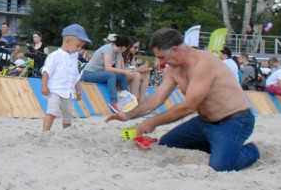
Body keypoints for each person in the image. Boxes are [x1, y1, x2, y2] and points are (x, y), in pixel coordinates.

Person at [106, 28, 260, 172]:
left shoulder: (203, 63)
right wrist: (128, 115)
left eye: (162, 57)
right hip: (205, 122)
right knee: (167, 144)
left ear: (175, 50)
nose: (161, 62)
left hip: (234, 121)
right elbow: (157, 98)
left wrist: (153, 122)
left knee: (221, 166)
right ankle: (218, 146)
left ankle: (252, 150)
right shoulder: (173, 68)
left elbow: (189, 107)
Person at [41, 24, 91, 132]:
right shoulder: (55, 56)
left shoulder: (74, 56)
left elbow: (75, 75)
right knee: (52, 111)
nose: (80, 49)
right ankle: (45, 133)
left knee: (68, 114)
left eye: (81, 46)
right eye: (78, 46)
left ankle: (66, 133)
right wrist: (44, 86)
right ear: (68, 41)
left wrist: (78, 89)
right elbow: (46, 71)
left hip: (68, 91)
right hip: (55, 89)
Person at [80, 34, 132, 112]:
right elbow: (108, 68)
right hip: (89, 74)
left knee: (121, 76)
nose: (126, 50)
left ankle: (126, 99)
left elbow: (118, 70)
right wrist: (126, 71)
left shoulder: (118, 53)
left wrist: (125, 72)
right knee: (111, 74)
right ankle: (113, 102)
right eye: (126, 48)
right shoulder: (108, 49)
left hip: (100, 74)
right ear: (124, 47)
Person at [123, 37, 152, 103]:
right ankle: (132, 100)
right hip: (121, 74)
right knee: (137, 75)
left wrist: (142, 69)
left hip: (128, 74)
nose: (136, 50)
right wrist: (138, 69)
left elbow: (133, 67)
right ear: (129, 46)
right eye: (135, 47)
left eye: (137, 48)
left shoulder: (131, 56)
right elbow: (121, 69)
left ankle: (141, 100)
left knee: (146, 75)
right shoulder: (122, 54)